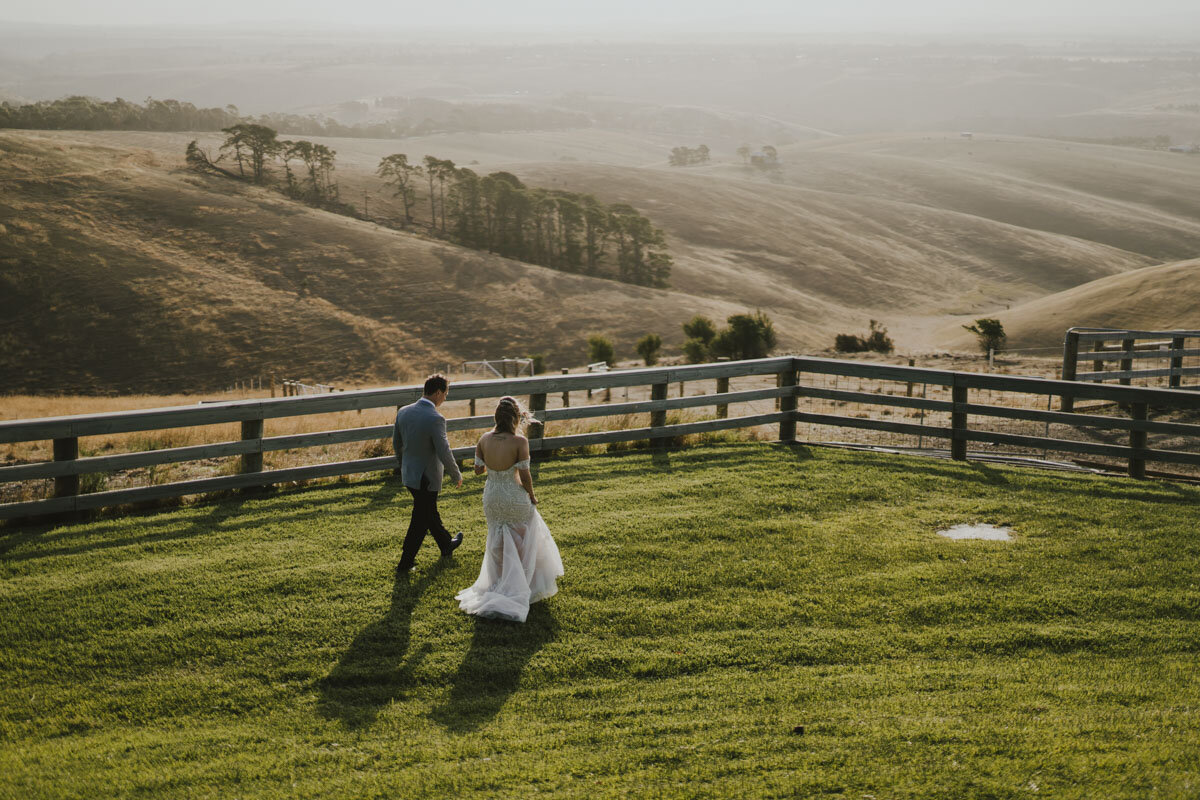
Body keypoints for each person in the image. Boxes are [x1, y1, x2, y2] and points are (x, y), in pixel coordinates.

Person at [456, 396, 563, 622]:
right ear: (516, 418)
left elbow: (477, 470)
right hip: (513, 496)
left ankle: (499, 582)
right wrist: (532, 495)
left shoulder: (483, 439)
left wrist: (493, 465)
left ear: (496, 417)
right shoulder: (519, 442)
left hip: (492, 497)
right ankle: (523, 586)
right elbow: (524, 475)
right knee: (524, 537)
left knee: (497, 539)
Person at [392, 374, 463, 573]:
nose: (445, 399)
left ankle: (446, 544)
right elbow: (444, 450)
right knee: (421, 519)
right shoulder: (435, 418)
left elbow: (396, 444)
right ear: (438, 392)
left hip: (409, 475)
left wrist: (404, 464)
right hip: (427, 478)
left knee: (428, 512)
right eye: (445, 394)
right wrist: (456, 474)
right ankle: (405, 563)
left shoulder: (403, 412)